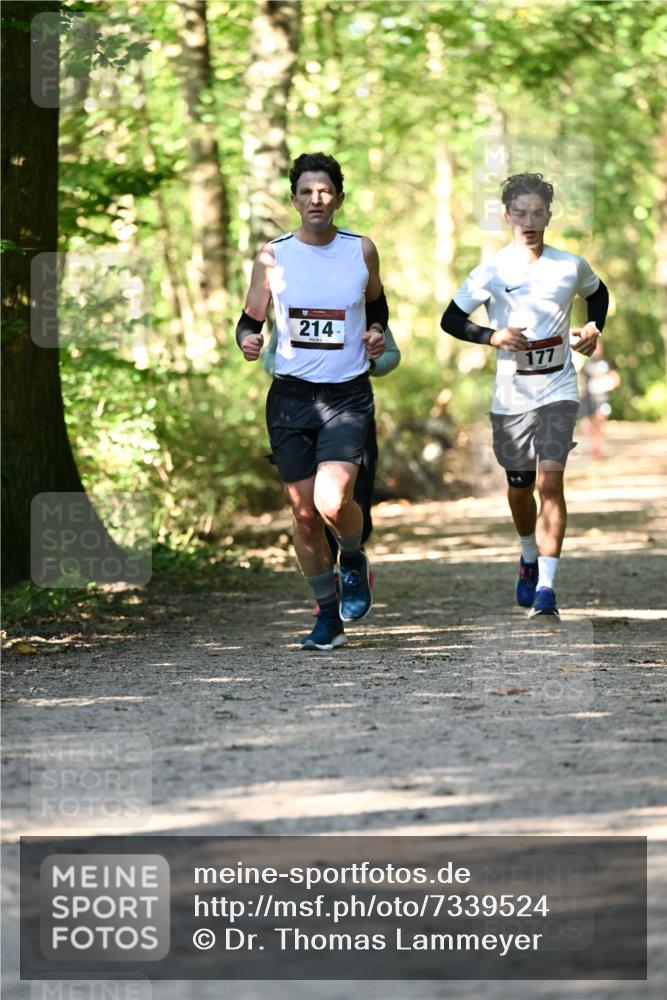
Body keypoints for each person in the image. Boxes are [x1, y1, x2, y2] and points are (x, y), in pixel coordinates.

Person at [236, 152, 389, 649]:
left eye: (325, 191)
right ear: (294, 199)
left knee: (332, 501)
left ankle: (352, 556)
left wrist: (377, 332)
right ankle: (327, 616)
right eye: (306, 191)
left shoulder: (360, 250)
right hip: (290, 398)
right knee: (303, 514)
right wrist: (248, 341)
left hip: (346, 394)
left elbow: (377, 305)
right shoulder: (274, 255)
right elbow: (250, 318)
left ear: (338, 198)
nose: (315, 199)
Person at [441, 172, 609, 618]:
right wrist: (492, 336)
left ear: (549, 215)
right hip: (511, 395)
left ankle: (547, 589)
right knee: (521, 487)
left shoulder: (569, 264)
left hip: (558, 387)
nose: (529, 221)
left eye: (537, 213)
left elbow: (599, 295)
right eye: (520, 213)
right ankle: (527, 554)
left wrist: (594, 328)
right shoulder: (492, 271)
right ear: (506, 216)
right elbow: (451, 320)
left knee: (551, 482)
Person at [261, 321, 401, 592]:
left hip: (349, 411)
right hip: (297, 411)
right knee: (308, 512)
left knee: (347, 501)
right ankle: (330, 591)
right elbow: (269, 355)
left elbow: (392, 354)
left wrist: (369, 364)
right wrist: (288, 370)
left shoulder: (357, 302)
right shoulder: (290, 305)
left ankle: (352, 561)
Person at [578, 339, 620, 460]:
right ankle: (593, 443)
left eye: (599, 347)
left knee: (599, 422)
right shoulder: (587, 363)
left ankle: (597, 448)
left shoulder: (607, 362)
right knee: (587, 425)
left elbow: (616, 379)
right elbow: (579, 378)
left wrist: (608, 383)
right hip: (587, 399)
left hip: (602, 398)